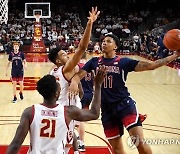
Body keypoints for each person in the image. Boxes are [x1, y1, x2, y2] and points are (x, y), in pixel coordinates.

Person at [69, 33, 180, 154]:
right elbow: (78, 76)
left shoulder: (123, 62)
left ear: (115, 46)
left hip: (124, 105)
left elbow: (151, 66)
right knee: (116, 150)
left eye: (108, 41)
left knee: (139, 143)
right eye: (103, 41)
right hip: (106, 109)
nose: (104, 43)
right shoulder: (94, 62)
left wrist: (175, 55)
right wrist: (74, 82)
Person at [6, 66, 106, 154]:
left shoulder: (29, 112)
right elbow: (95, 113)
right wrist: (97, 85)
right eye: (60, 89)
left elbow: (15, 144)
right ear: (57, 94)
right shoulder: (68, 112)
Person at [48, 7, 100, 153]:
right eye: (64, 54)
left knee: (64, 143)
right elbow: (82, 47)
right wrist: (90, 24)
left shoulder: (52, 72)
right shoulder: (66, 68)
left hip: (58, 110)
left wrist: (76, 81)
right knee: (65, 146)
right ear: (58, 60)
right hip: (67, 112)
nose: (68, 56)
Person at [76, 52, 94, 152]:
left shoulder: (78, 67)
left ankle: (81, 143)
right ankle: (79, 137)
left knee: (80, 119)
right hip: (90, 93)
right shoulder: (91, 67)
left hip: (81, 94)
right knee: (80, 118)